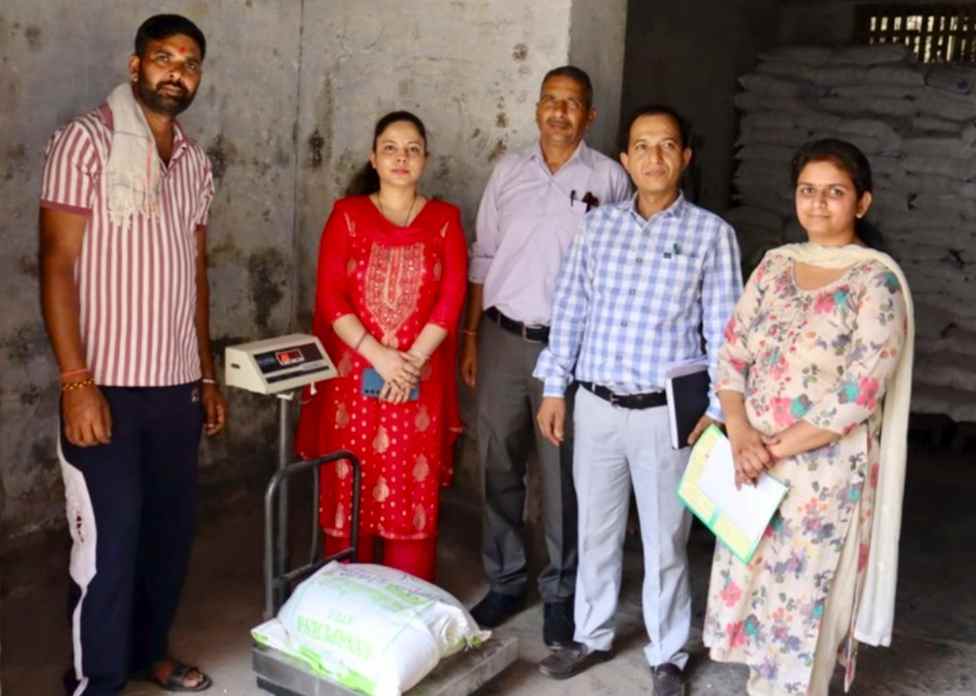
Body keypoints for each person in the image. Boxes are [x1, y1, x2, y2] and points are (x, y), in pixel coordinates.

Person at [39, 14, 225, 695]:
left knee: (166, 538)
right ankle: (97, 681)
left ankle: (151, 654)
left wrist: (206, 374)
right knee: (108, 546)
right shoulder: (85, 141)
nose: (177, 71)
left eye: (189, 62)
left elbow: (194, 273)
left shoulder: (195, 162)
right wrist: (75, 381)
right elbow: (56, 263)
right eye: (163, 57)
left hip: (175, 387)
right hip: (104, 387)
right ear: (135, 65)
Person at [533, 104, 743, 696]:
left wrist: (719, 411)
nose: (654, 157)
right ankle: (591, 635)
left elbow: (726, 332)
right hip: (597, 405)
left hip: (666, 416)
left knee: (665, 540)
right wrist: (555, 387)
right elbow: (570, 309)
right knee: (595, 532)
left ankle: (668, 653)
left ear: (685, 157)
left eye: (667, 145)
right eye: (642, 146)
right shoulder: (599, 226)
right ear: (625, 160)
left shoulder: (711, 235)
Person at [703, 139, 914, 696]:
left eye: (834, 192)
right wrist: (740, 431)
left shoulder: (876, 281)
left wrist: (767, 450)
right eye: (807, 190)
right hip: (751, 466)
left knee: (802, 611)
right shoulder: (774, 266)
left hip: (822, 479)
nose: (818, 204)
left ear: (862, 203)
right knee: (755, 602)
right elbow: (732, 354)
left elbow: (858, 394)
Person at [463, 65, 631, 648]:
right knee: (498, 463)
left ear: (590, 114)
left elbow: (621, 266)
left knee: (564, 477)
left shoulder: (609, 178)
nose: (560, 112)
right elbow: (483, 257)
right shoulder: (508, 171)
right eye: (550, 101)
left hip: (573, 348)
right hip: (503, 339)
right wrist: (470, 336)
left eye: (572, 103)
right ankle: (506, 580)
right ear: (537, 109)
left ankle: (560, 593)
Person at [295, 111, 467, 583]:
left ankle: (405, 599)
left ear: (425, 159)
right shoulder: (347, 216)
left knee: (409, 487)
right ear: (373, 158)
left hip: (418, 381)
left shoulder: (445, 220)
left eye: (412, 149)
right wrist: (380, 356)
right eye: (390, 148)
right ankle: (347, 599)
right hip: (353, 379)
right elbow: (331, 297)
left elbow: (451, 298)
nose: (401, 158)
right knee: (352, 480)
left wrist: (410, 362)